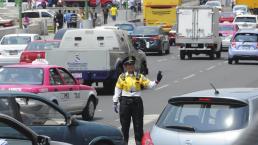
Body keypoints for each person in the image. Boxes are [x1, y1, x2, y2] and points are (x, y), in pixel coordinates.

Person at [113, 57, 163, 145]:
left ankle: (138, 142)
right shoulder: (122, 77)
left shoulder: (139, 76)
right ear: (125, 67)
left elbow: (149, 85)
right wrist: (115, 102)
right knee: (124, 125)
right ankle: (124, 142)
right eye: (128, 65)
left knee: (138, 125)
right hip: (125, 102)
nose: (130, 67)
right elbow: (117, 89)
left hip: (137, 102)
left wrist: (157, 81)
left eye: (132, 65)